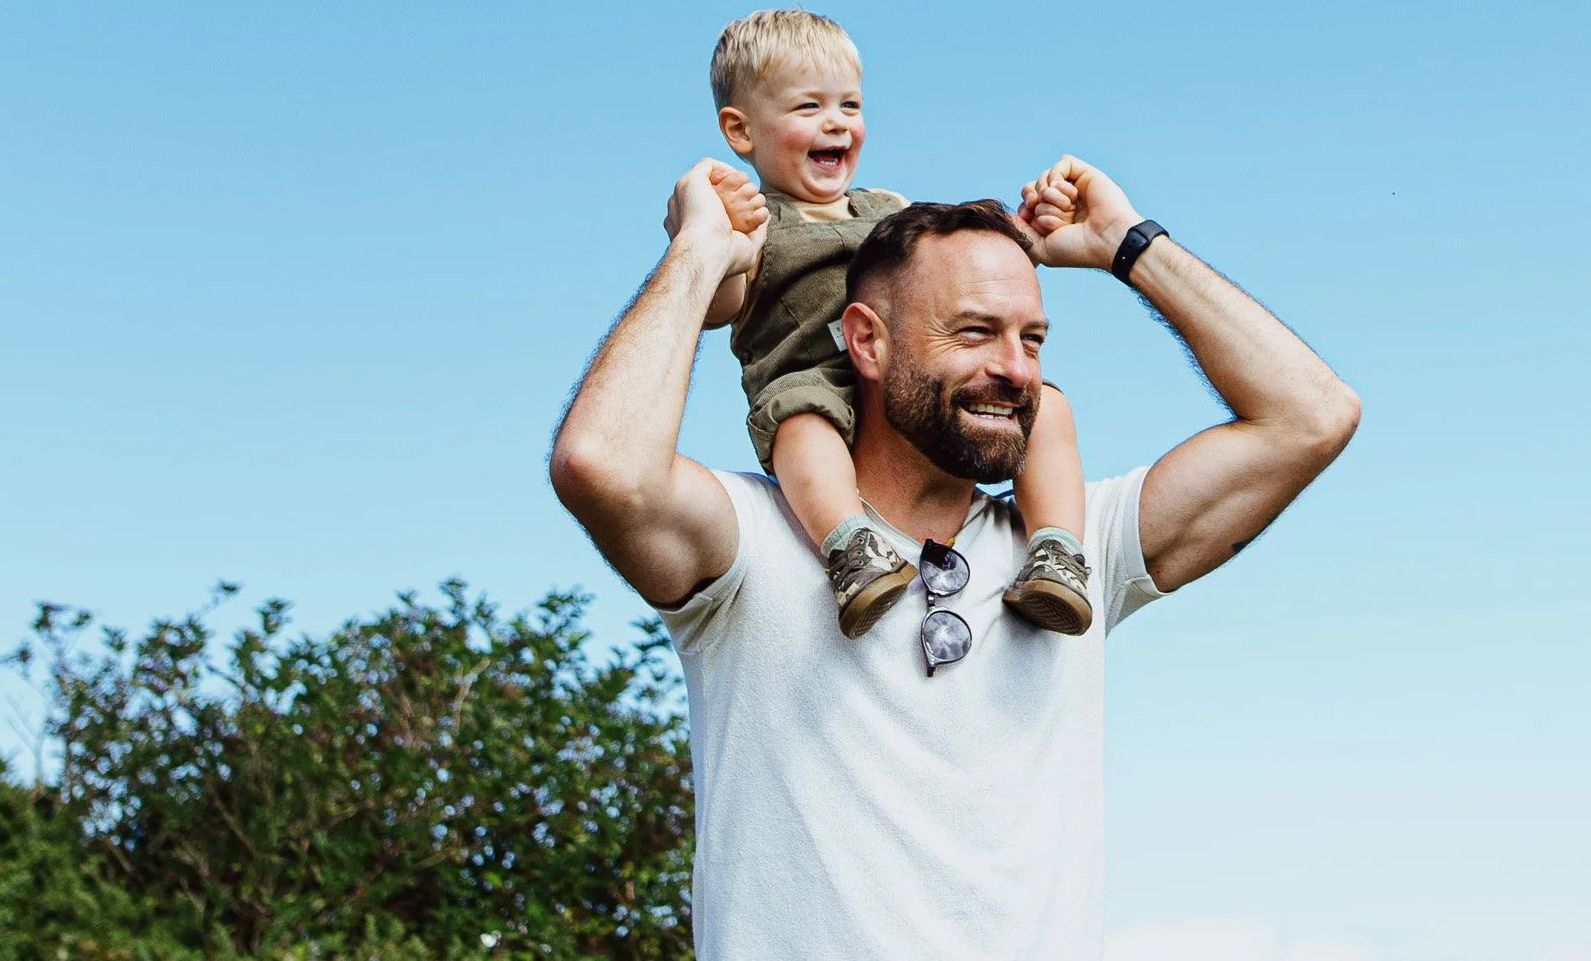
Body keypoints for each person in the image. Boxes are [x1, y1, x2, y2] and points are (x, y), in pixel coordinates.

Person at [548, 152, 1361, 959]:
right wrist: (700, 251)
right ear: (865, 342)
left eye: (1032, 339)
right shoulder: (753, 545)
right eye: (974, 331)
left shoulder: (1076, 543)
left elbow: (1312, 414)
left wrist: (1126, 241)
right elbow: (601, 464)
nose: (1014, 369)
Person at [690, 8, 1090, 640]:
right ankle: (851, 551)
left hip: (899, 378)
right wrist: (712, 240)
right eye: (807, 108)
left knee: (1052, 410)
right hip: (809, 383)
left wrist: (1031, 225)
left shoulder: (887, 208)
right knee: (803, 426)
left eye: (850, 106)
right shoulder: (755, 223)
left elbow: (952, 260)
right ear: (741, 132)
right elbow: (716, 306)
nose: (836, 124)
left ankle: (1058, 553)